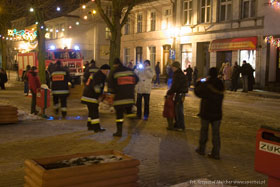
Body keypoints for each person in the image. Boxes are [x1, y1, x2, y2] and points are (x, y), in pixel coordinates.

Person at [194, 67, 225, 160]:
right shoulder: (220, 84)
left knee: (204, 131)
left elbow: (197, 92)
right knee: (216, 134)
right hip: (217, 113)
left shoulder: (206, 84)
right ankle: (216, 153)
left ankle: (201, 149)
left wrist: (198, 82)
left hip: (206, 112)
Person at [108, 58, 139, 137]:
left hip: (119, 99)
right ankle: (132, 126)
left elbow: (111, 86)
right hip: (129, 97)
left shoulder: (114, 72)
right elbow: (137, 79)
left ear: (115, 64)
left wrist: (111, 96)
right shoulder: (130, 70)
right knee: (129, 112)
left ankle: (119, 132)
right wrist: (130, 86)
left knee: (119, 116)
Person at [81, 64, 111, 132]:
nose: (107, 73)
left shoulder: (96, 74)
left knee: (91, 111)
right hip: (92, 96)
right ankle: (96, 128)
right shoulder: (99, 76)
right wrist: (99, 96)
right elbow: (96, 87)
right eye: (107, 71)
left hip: (86, 95)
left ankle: (90, 125)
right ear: (103, 70)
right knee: (95, 112)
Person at [166, 61, 188, 131]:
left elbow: (175, 86)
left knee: (178, 110)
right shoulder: (179, 74)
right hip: (181, 93)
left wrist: (169, 92)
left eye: (172, 67)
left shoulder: (177, 75)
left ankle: (181, 126)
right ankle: (178, 124)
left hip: (180, 94)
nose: (172, 68)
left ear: (175, 67)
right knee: (177, 109)